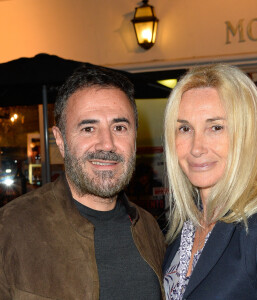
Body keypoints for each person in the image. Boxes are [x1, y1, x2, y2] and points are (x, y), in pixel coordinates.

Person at [0, 66, 166, 300]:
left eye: (119, 128)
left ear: (135, 139)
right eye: (88, 129)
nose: (106, 144)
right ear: (60, 140)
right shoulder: (10, 229)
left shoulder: (150, 229)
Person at [163, 64, 257, 300]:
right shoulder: (183, 231)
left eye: (216, 127)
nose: (197, 148)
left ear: (247, 136)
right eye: (185, 128)